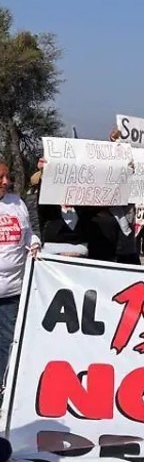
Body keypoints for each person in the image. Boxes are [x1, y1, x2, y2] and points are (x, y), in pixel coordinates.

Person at [0, 162, 41, 386]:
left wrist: (34, 243)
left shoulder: (17, 203)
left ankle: (4, 387)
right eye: (1, 178)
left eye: (7, 177)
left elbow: (28, 234)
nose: (6, 182)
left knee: (8, 342)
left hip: (12, 291)